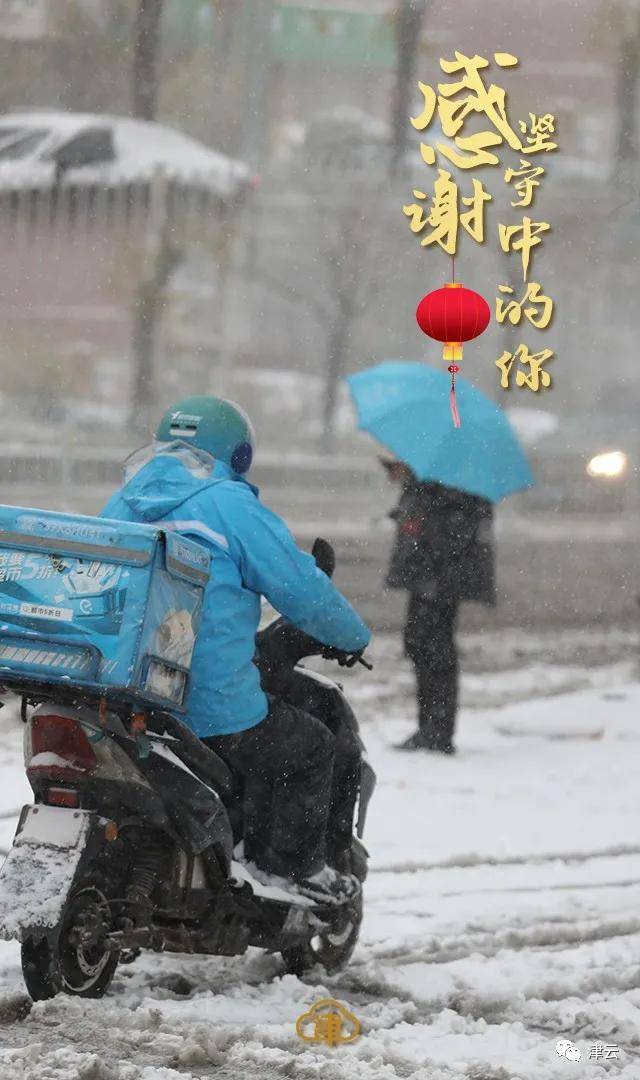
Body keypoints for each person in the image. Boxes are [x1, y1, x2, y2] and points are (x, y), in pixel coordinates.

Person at [102, 396, 371, 903]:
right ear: (239, 454)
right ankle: (296, 869)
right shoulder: (229, 504)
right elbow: (300, 588)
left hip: (128, 696)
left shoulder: (125, 501)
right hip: (204, 705)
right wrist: (353, 636)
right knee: (312, 747)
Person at [383, 460, 495, 754]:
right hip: (432, 574)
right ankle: (430, 728)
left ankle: (437, 731)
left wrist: (415, 493)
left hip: (439, 575)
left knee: (433, 647)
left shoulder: (454, 473)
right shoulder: (444, 470)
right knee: (422, 644)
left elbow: (450, 521)